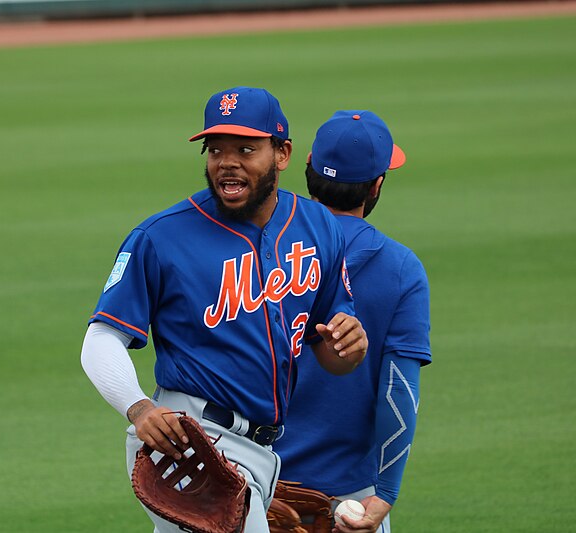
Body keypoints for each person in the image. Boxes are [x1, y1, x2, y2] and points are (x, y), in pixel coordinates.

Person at [80, 87, 369, 532]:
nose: (226, 162)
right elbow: (101, 337)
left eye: (246, 149)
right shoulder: (161, 237)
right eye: (216, 150)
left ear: (282, 153)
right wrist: (138, 408)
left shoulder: (317, 226)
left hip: (265, 450)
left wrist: (351, 346)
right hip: (191, 445)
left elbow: (332, 352)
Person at [274, 110, 432, 533]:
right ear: (377, 184)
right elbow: (399, 393)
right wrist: (386, 493)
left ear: (306, 166)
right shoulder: (401, 268)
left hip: (252, 486)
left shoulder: (255, 248)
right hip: (347, 501)